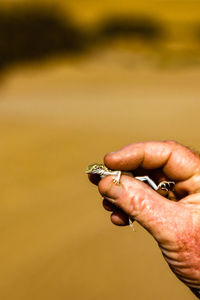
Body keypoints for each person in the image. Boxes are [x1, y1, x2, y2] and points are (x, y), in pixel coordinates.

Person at [88, 140, 200, 298]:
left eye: (95, 169)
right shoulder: (106, 174)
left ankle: (157, 189)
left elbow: (118, 174)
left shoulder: (111, 174)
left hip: (131, 180)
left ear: (100, 169)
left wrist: (117, 183)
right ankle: (157, 189)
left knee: (142, 182)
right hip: (136, 180)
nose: (93, 171)